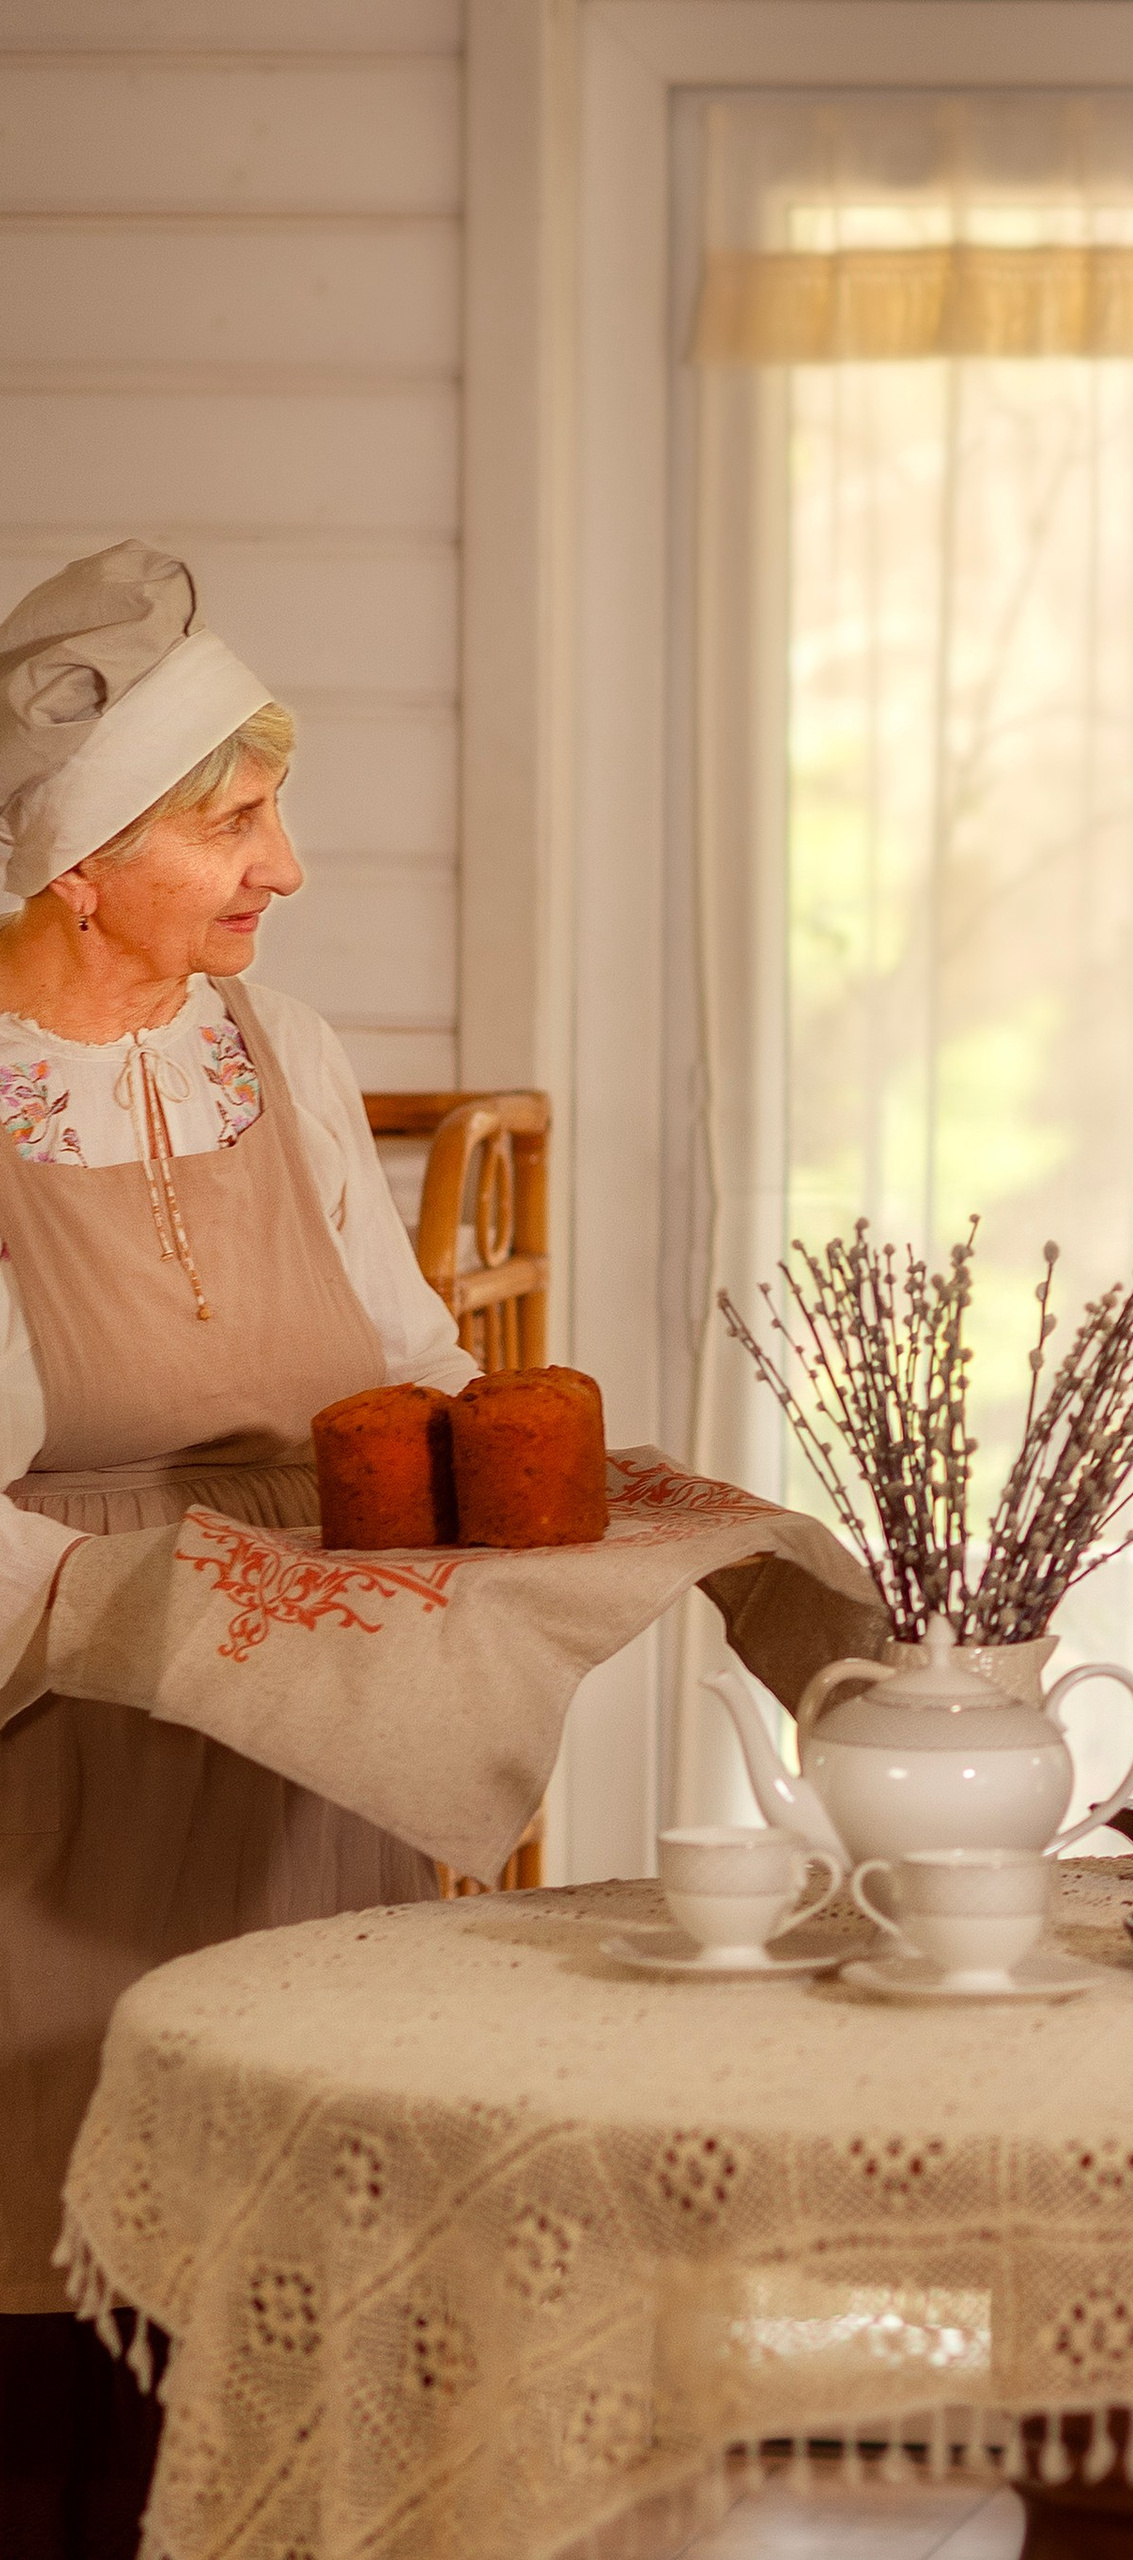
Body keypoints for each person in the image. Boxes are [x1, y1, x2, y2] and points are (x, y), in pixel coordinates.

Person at [0, 543, 479, 2553]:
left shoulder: (276, 1045)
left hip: (318, 1753)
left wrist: (506, 1484)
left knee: (315, 2289)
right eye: (236, 819)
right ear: (80, 857)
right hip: (75, 1759)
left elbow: (411, 1353)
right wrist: (151, 1605)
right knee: (69, 2305)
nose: (284, 867)